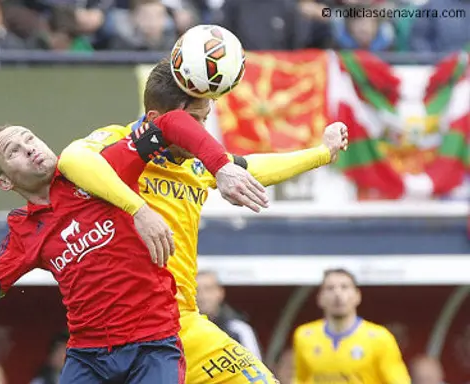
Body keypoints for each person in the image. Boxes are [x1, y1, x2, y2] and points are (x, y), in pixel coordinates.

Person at [0, 108, 265, 383]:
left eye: (30, 138)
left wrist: (222, 166)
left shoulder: (97, 170)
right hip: (88, 358)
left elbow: (173, 121)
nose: (30, 148)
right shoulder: (24, 233)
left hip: (153, 345)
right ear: (5, 183)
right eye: (15, 152)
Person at [56, 58, 349, 383]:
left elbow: (252, 167)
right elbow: (71, 159)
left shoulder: (199, 164)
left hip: (181, 322)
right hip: (118, 330)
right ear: (155, 120)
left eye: (205, 120)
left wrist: (322, 153)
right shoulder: (118, 143)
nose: (200, 131)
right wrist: (138, 208)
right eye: (194, 121)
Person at [293, 268, 410, 383]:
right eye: (330, 288)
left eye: (344, 287)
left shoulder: (380, 338)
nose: (337, 294)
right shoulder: (304, 336)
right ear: (320, 298)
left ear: (357, 296)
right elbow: (300, 379)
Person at [196, 270, 262, 359]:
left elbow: (256, 368)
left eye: (208, 289)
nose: (202, 296)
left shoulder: (239, 329)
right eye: (197, 290)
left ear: (220, 292)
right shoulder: (181, 329)